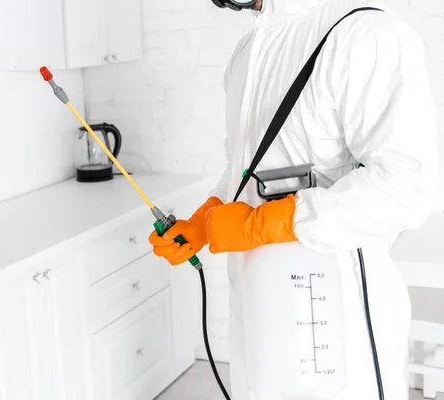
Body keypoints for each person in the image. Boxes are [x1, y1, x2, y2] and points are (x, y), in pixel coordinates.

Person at [149, 0, 438, 399]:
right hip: (256, 307)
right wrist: (203, 222)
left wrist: (262, 224)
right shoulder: (245, 56)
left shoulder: (362, 32)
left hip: (335, 322)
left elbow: (404, 188)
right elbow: (243, 167)